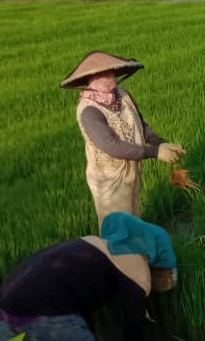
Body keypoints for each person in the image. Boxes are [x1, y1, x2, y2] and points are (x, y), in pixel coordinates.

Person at [0, 212, 177, 341]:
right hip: (42, 310)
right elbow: (134, 325)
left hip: (10, 299)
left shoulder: (98, 243)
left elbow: (78, 295)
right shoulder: (136, 271)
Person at [60, 51, 185, 229]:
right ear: (91, 79)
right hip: (109, 179)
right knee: (119, 230)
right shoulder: (89, 110)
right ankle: (121, 257)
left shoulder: (122, 94)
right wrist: (155, 152)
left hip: (131, 172)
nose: (110, 77)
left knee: (134, 219)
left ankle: (138, 255)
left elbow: (139, 123)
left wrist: (160, 142)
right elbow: (111, 146)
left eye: (110, 72)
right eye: (103, 74)